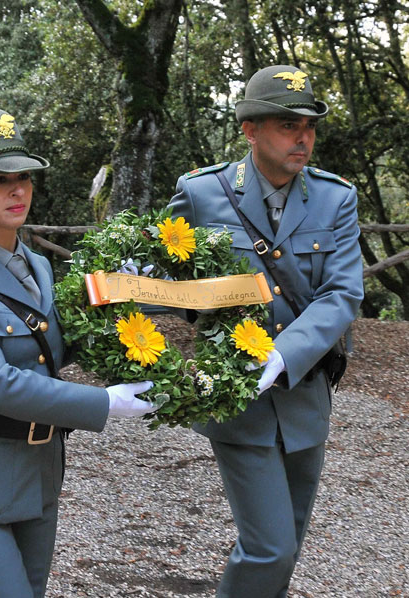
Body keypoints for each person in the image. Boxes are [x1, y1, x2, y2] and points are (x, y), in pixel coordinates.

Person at [0, 108, 157, 598]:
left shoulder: (39, 267)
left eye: (24, 177)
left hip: (38, 471)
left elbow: (53, 349)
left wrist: (121, 296)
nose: (18, 190)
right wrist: (105, 403)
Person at [168, 66, 363, 597]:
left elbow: (343, 293)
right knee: (269, 546)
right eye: (286, 125)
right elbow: (164, 272)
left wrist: (282, 355)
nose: (302, 137)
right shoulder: (202, 193)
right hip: (237, 396)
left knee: (289, 543)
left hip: (305, 390)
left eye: (309, 126)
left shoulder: (334, 198)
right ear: (250, 130)